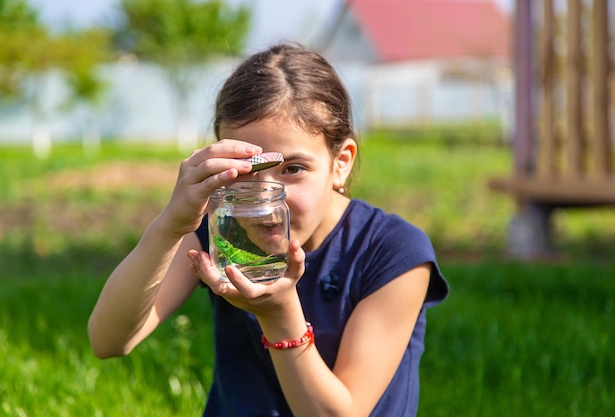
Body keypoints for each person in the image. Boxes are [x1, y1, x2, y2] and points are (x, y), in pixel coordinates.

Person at [88, 43, 449, 417]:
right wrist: (170, 226)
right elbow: (109, 339)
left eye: (292, 169)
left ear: (340, 163)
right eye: (247, 171)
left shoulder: (393, 251)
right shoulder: (219, 232)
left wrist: (279, 317)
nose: (265, 199)